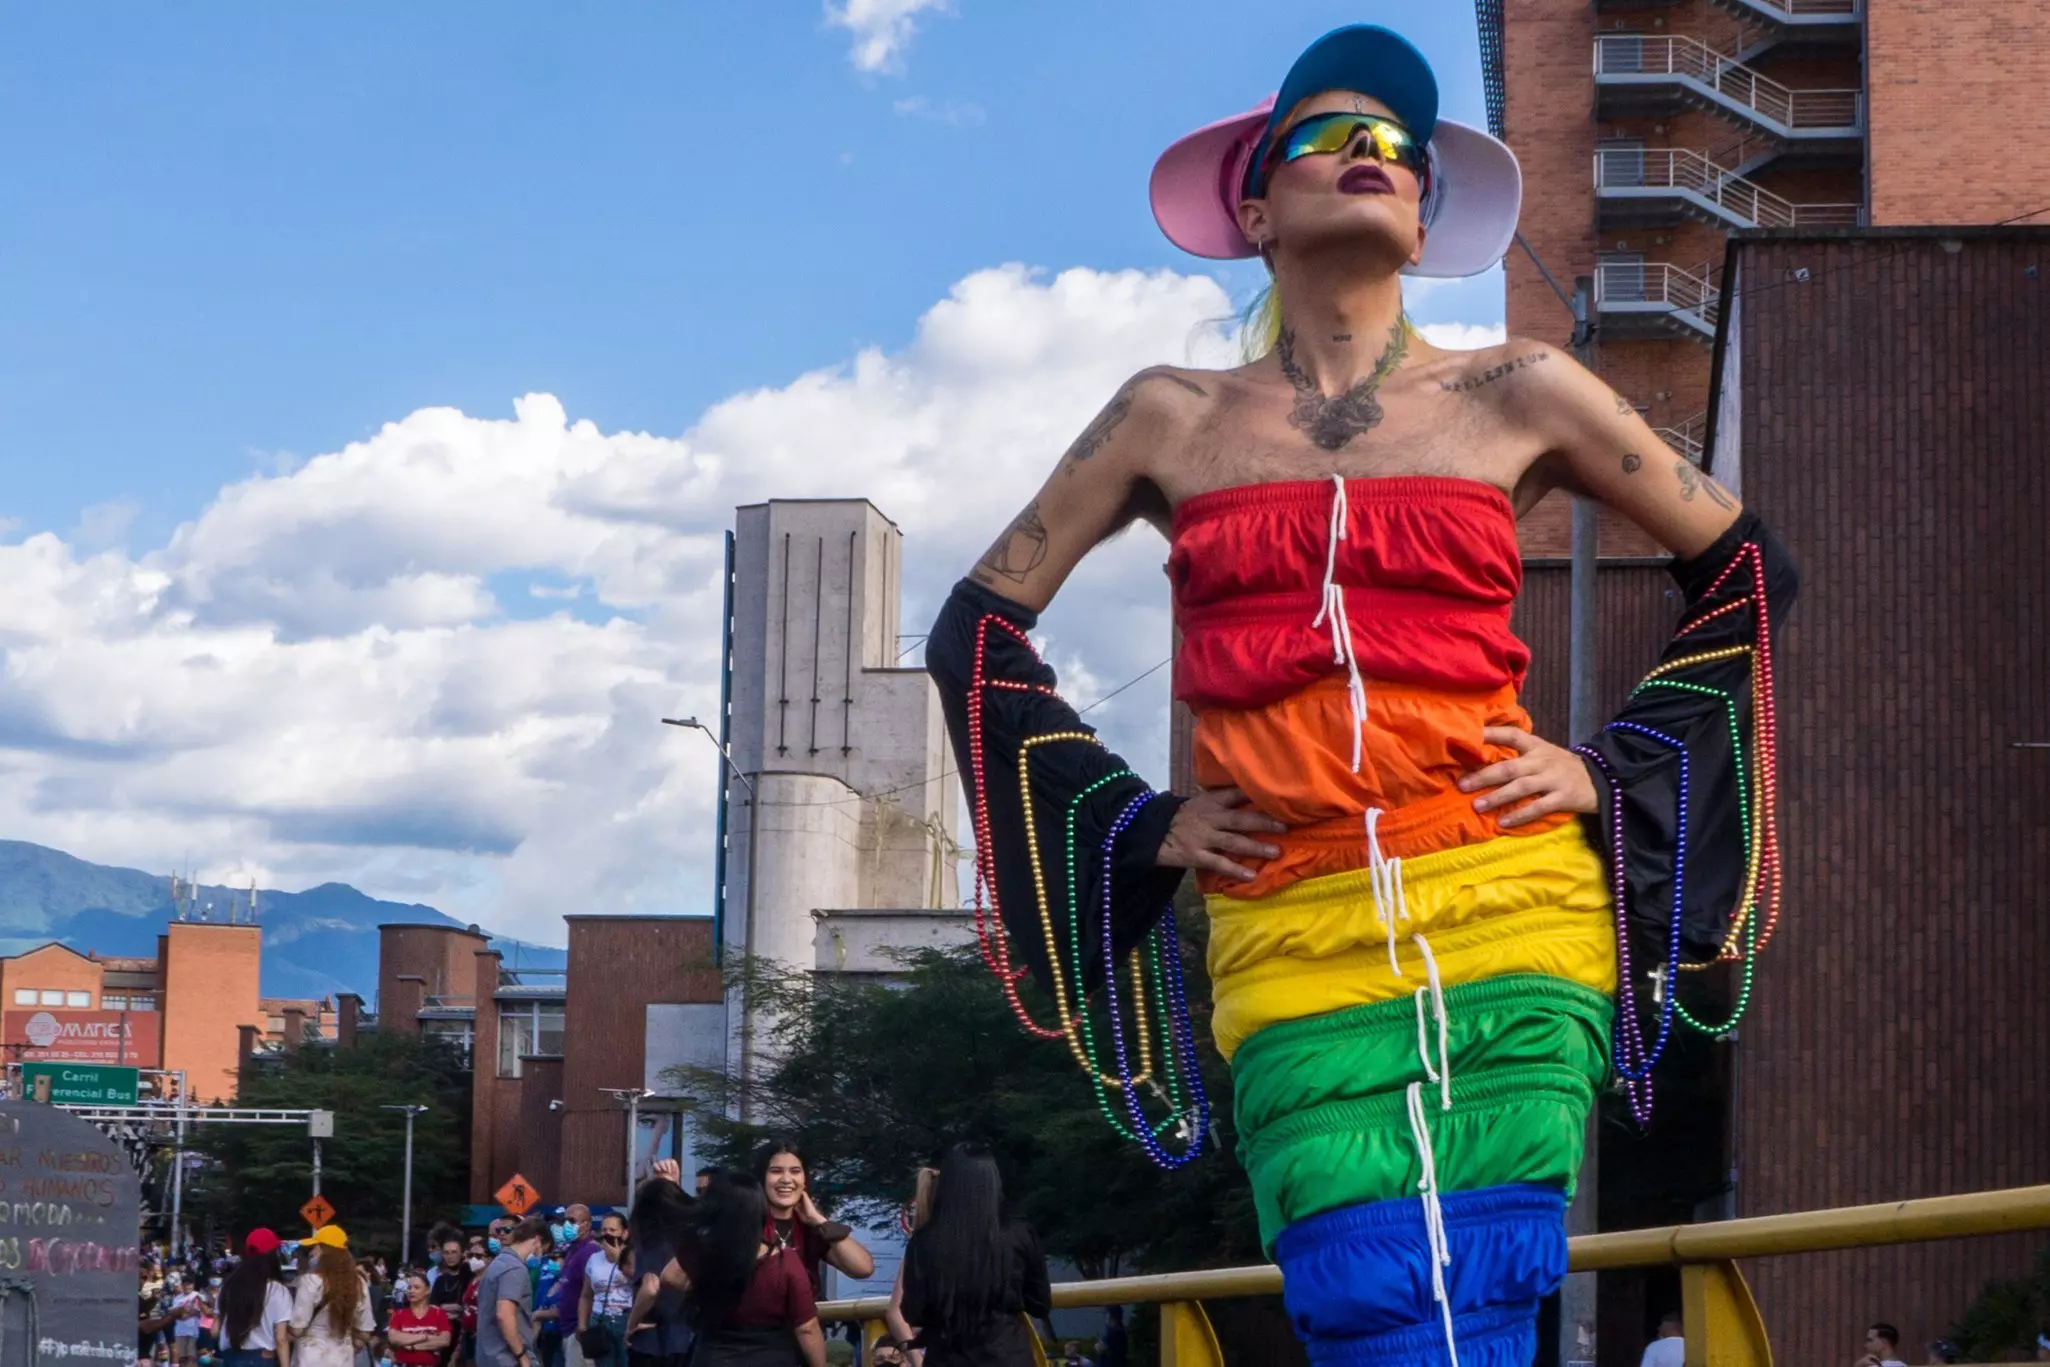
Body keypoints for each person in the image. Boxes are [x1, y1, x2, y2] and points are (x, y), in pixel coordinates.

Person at [925, 20, 1798, 1367]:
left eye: (1394, 144)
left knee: (1490, 1291)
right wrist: (1133, 818)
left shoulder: (1523, 386)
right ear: (1256, 206)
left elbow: (1745, 569)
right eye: (1325, 136)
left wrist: (1610, 764)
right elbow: (975, 631)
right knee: (1361, 1297)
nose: (1368, 153)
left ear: (1425, 206)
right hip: (1289, 920)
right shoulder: (1166, 413)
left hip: (1513, 903)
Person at [898, 1145, 1051, 1367]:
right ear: (994, 1183)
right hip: (1008, 1356)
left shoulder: (924, 1241)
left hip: (946, 1357)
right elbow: (1039, 1304)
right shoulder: (1020, 1234)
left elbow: (914, 1312)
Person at [656, 1170, 825, 1367]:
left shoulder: (702, 1254)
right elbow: (807, 1328)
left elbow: (668, 1276)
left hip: (711, 1357)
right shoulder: (785, 1262)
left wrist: (700, 1287)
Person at [755, 1141, 876, 1295]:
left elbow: (863, 1269)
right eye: (776, 1171)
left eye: (795, 1171)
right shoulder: (746, 1224)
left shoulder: (811, 1229)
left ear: (804, 1179)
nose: (786, 1179)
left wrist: (819, 1220)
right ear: (761, 1178)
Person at [624, 1177, 696, 1367]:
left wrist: (631, 1323)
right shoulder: (690, 1241)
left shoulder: (650, 1243)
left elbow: (650, 1288)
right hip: (685, 1338)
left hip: (651, 1341)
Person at [289, 1227, 376, 1367]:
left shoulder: (310, 1281)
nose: (312, 1253)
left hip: (311, 1357)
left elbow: (297, 1328)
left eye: (316, 1247)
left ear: (325, 1251)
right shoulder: (359, 1283)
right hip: (343, 1358)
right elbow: (365, 1330)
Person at [218, 1230, 294, 1367]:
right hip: (261, 1358)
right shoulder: (277, 1290)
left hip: (230, 1357)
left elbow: (217, 1328)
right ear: (273, 1255)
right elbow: (281, 1339)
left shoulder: (228, 1286)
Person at [577, 1214, 635, 1366]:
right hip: (600, 1320)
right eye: (603, 1230)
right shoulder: (594, 1259)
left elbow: (639, 1285)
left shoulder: (634, 1256)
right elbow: (586, 1295)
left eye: (612, 1229)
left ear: (624, 1233)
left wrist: (619, 1259)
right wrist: (583, 1326)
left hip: (626, 1319)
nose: (607, 1234)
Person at [552, 1206, 600, 1367]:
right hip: (568, 1328)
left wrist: (583, 1325)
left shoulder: (590, 1251)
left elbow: (592, 1291)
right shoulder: (573, 1249)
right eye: (565, 1220)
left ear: (586, 1225)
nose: (566, 1225)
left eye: (572, 1221)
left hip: (578, 1330)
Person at [387, 1275, 455, 1367]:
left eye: (417, 1287)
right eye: (409, 1287)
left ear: (427, 1290)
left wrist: (412, 1346)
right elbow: (394, 1338)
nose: (411, 1291)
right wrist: (425, 1336)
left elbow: (444, 1340)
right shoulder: (399, 1314)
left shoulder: (439, 1313)